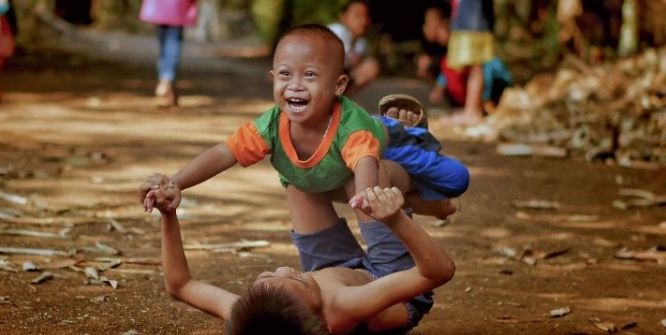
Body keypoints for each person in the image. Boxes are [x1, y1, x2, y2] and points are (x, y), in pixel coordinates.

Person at [141, 24, 470, 224]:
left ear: (339, 86)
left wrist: (370, 194)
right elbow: (223, 153)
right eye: (285, 75)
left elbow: (367, 167)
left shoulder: (352, 129)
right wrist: (177, 182)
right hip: (336, 168)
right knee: (349, 187)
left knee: (456, 179)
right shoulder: (272, 123)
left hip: (388, 140)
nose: (295, 85)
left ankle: (406, 126)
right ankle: (433, 206)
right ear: (272, 79)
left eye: (310, 75)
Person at [142, 172, 456, 335]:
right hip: (391, 279)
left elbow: (180, 285)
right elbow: (436, 272)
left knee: (299, 179)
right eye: (295, 278)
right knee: (368, 178)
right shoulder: (344, 308)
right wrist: (395, 219)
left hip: (333, 271)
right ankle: (418, 172)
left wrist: (168, 215)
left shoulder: (254, 311)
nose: (283, 267)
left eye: (267, 277)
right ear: (324, 322)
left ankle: (405, 187)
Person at [417, 6, 512, 111]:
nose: (425, 28)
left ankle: (476, 105)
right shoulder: (441, 47)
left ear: (441, 23)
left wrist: (485, 98)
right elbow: (447, 67)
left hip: (495, 83)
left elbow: (486, 67)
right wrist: (439, 88)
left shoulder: (459, 39)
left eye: (429, 23)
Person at [327, 0, 380, 97]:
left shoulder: (361, 44)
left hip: (337, 78)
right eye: (357, 15)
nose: (362, 20)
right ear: (343, 17)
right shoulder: (337, 32)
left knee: (370, 67)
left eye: (365, 16)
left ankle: (341, 101)